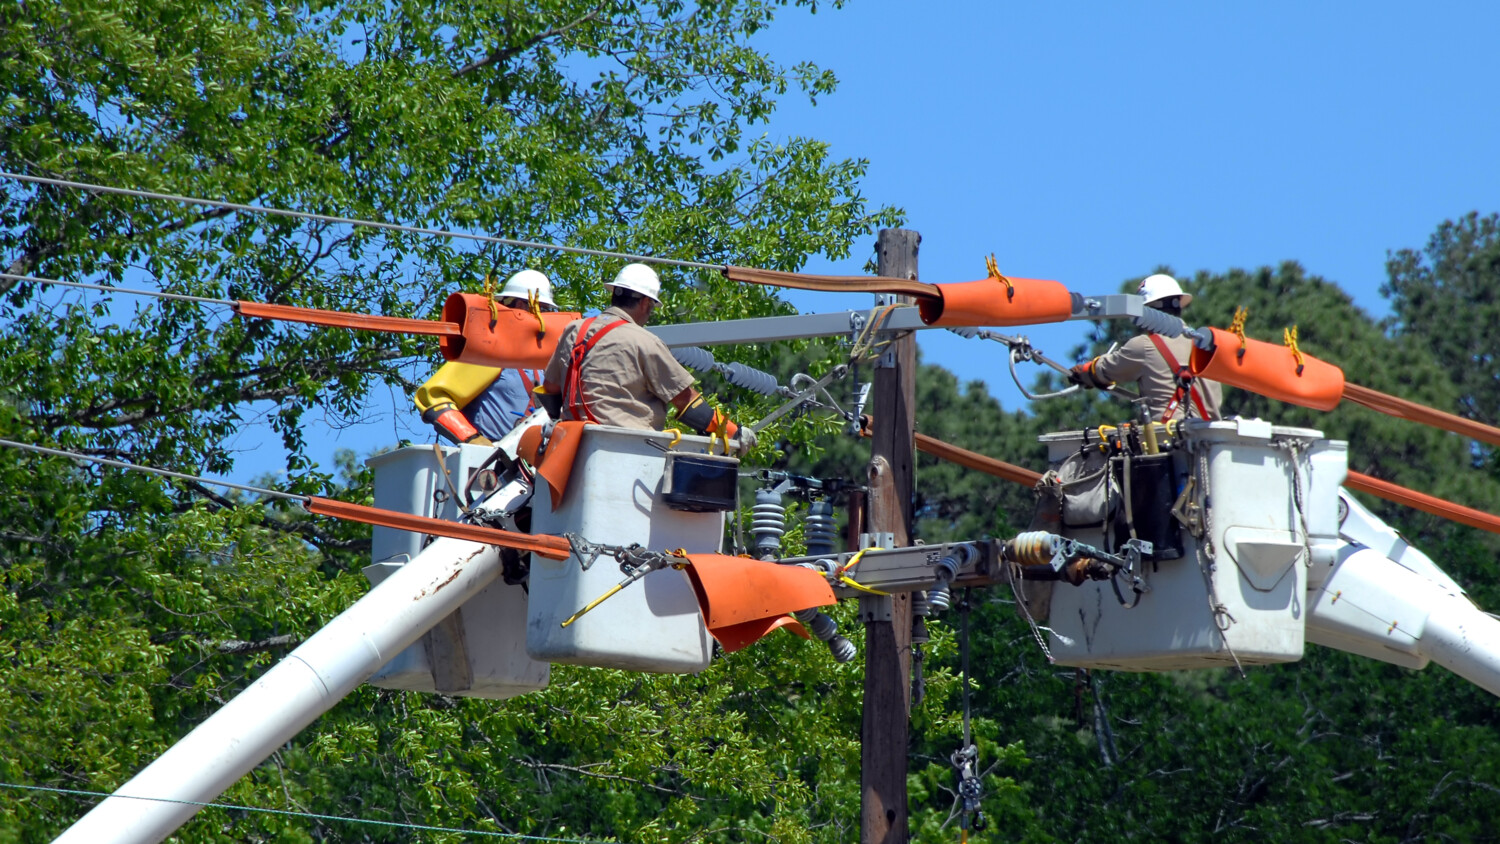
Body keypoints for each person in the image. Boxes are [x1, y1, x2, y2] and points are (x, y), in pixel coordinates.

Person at [538, 263, 755, 453]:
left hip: (569, 451)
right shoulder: (644, 341)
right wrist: (732, 432)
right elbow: (687, 401)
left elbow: (550, 389)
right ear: (644, 303)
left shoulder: (573, 330)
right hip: (627, 451)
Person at [414, 269, 557, 446]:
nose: (547, 317)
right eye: (543, 309)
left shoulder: (543, 362)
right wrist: (472, 439)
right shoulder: (491, 352)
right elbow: (433, 397)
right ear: (520, 306)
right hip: (490, 462)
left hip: (532, 462)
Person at [1068, 273, 1224, 422]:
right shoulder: (1205, 345)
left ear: (1147, 312)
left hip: (1172, 438)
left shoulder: (1144, 346)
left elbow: (1105, 371)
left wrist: (1083, 372)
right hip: (1214, 439)